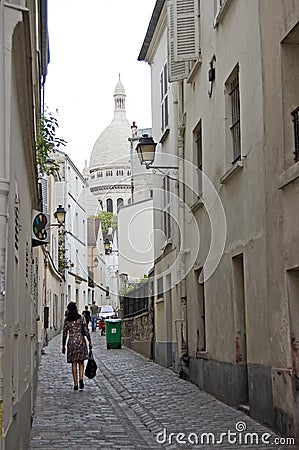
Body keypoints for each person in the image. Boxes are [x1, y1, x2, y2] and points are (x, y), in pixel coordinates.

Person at [62, 301, 92, 390]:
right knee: (81, 362)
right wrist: (89, 340)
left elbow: (64, 333)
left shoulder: (67, 320)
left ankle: (75, 383)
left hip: (71, 342)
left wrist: (63, 345)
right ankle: (81, 379)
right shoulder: (81, 318)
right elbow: (86, 330)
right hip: (81, 341)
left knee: (74, 363)